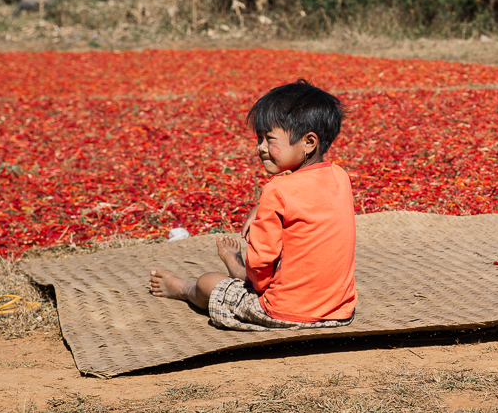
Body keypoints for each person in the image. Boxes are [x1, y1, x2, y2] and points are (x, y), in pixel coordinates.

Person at [149, 80, 357, 330]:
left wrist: (250, 280)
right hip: (340, 311)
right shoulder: (340, 176)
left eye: (269, 139)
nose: (260, 148)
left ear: (308, 143)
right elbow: (305, 198)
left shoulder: (277, 190)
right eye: (259, 139)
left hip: (285, 312)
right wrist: (260, 208)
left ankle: (182, 288)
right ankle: (239, 271)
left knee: (208, 281)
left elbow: (260, 268)